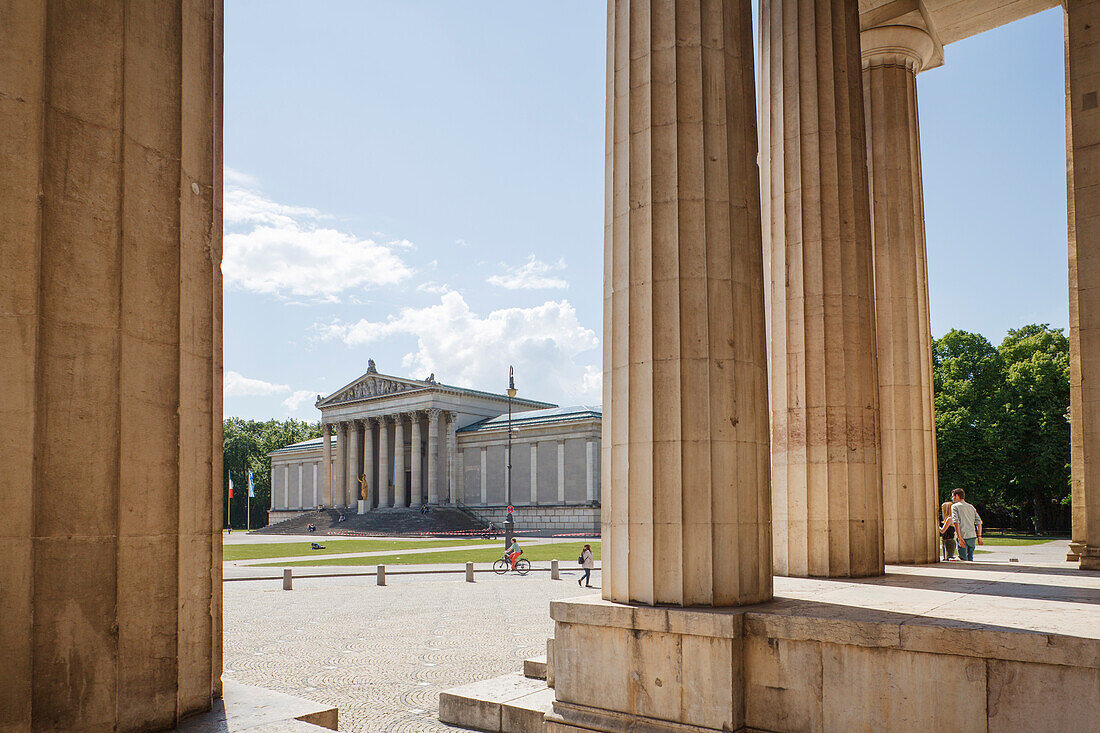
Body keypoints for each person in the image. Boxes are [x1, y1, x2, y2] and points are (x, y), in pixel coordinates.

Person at [950, 488, 983, 561]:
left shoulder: (955, 506)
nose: (952, 498)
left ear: (957, 496)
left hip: (962, 535)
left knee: (963, 559)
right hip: (972, 536)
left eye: (953, 496)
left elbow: (956, 522)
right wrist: (979, 536)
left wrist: (959, 537)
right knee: (970, 558)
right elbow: (979, 522)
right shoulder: (971, 507)